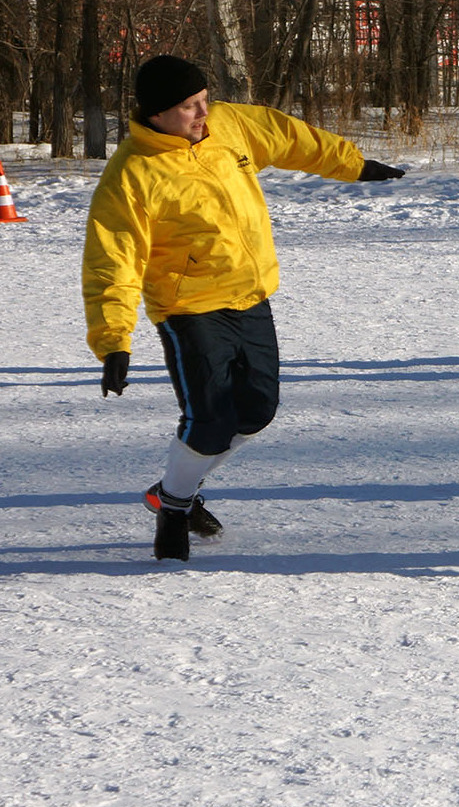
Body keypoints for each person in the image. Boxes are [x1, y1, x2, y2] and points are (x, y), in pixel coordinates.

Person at [83, 55, 407, 561]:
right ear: (157, 113)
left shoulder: (228, 127)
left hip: (250, 294)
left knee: (257, 411)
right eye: (189, 106)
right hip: (188, 308)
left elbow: (287, 137)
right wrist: (113, 341)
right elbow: (113, 261)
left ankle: (171, 490)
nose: (202, 114)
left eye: (204, 101)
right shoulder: (132, 174)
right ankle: (173, 507)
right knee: (209, 420)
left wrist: (351, 164)